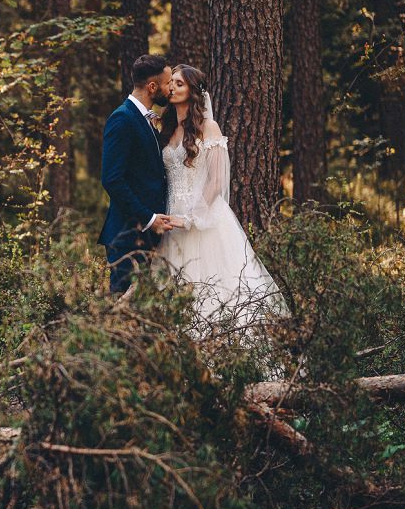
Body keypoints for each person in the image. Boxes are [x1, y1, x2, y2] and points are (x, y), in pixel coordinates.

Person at [158, 64, 289, 342]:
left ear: (194, 91)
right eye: (172, 83)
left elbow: (216, 180)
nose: (172, 88)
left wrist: (192, 218)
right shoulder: (166, 128)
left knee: (214, 290)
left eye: (180, 84)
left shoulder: (208, 127)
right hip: (171, 220)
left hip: (204, 220)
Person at [97, 54, 179, 294]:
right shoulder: (122, 119)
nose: (170, 89)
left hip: (147, 236)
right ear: (152, 87)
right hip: (127, 236)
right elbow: (112, 179)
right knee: (123, 312)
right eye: (167, 83)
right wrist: (149, 218)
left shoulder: (146, 119)